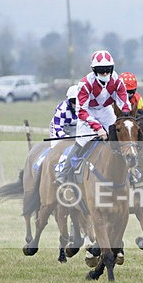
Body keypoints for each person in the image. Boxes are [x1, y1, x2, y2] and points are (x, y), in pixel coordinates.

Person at [54, 50, 130, 185]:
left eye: (108, 69)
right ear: (94, 70)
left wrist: (124, 116)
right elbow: (82, 111)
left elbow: (124, 103)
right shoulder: (85, 84)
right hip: (88, 113)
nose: (105, 73)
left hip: (106, 111)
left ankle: (130, 172)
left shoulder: (117, 81)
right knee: (81, 142)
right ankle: (64, 172)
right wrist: (98, 128)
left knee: (120, 138)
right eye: (101, 70)